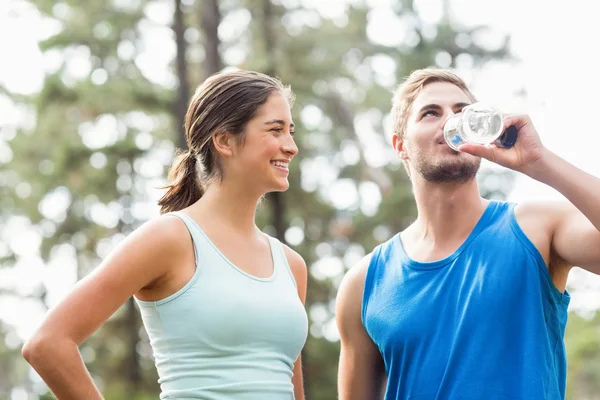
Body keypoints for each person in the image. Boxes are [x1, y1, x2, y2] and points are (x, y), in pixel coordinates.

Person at [22, 70, 309, 400]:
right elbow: (48, 344)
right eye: (276, 130)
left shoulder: (291, 265)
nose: (291, 147)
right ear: (225, 140)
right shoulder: (171, 238)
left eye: (291, 132)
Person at [335, 68, 600, 400]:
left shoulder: (538, 228)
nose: (451, 122)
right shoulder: (362, 283)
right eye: (431, 113)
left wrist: (540, 161)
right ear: (400, 145)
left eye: (462, 112)